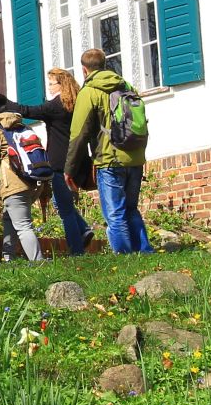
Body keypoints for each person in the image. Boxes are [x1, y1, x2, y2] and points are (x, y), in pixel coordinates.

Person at [0, 66, 93, 254]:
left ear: (61, 85)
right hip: (78, 158)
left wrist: (5, 104)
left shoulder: (56, 106)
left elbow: (29, 111)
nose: (49, 88)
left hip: (59, 162)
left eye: (51, 84)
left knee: (65, 209)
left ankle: (77, 249)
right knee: (62, 202)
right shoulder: (78, 103)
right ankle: (84, 229)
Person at [65, 48, 153, 254]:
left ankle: (124, 258)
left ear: (84, 70)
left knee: (115, 213)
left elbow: (78, 133)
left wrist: (70, 168)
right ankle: (145, 251)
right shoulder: (126, 86)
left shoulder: (89, 91)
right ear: (105, 65)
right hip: (135, 157)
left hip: (109, 159)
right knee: (131, 208)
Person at [0, 109, 44, 261]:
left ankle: (39, 263)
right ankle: (9, 258)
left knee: (23, 226)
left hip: (13, 184)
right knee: (9, 217)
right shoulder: (25, 128)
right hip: (33, 181)